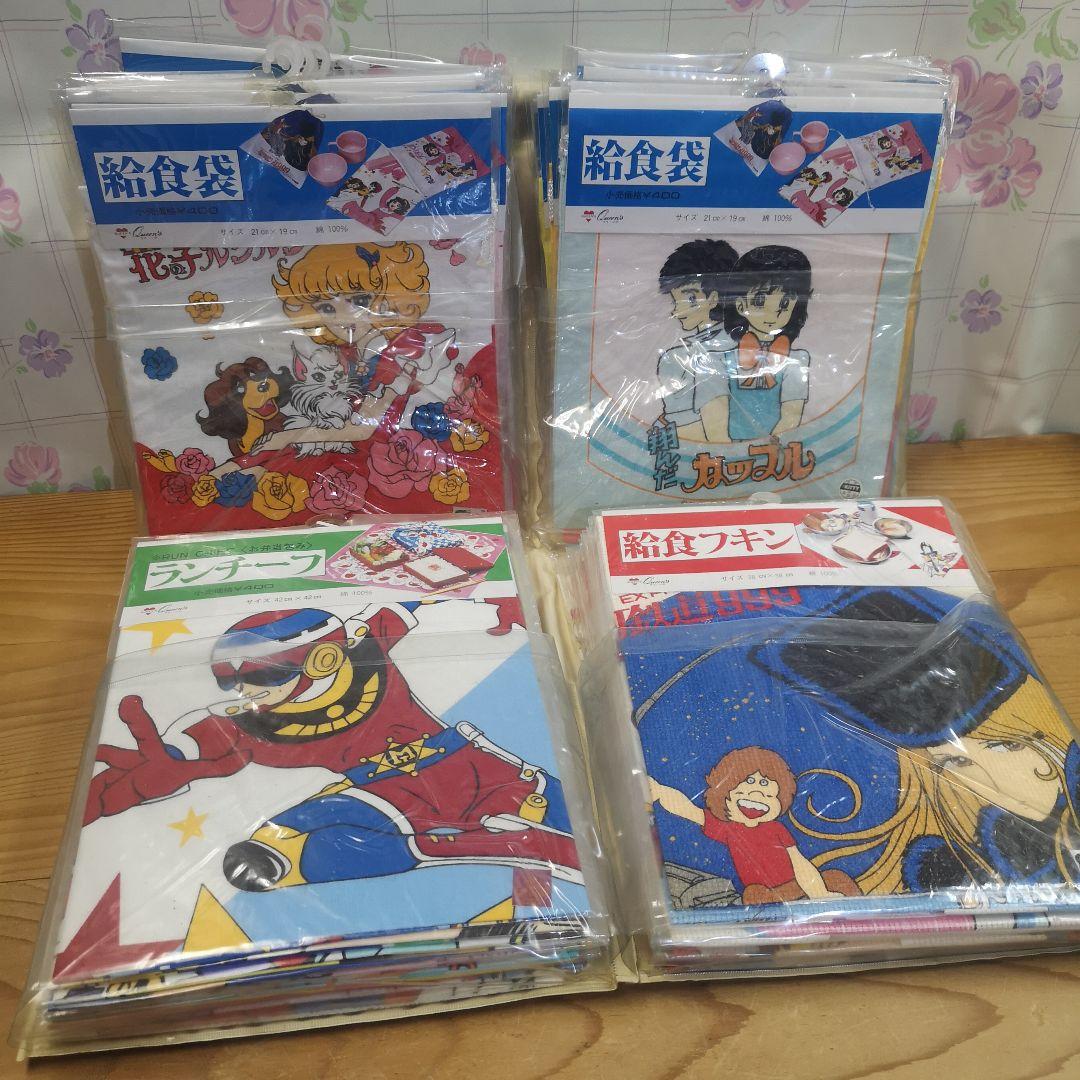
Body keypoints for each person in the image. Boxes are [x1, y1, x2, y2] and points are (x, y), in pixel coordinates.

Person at [84, 603, 582, 889]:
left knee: (591, 832)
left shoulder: (367, 651)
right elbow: (193, 744)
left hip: (477, 769)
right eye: (229, 681)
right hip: (384, 796)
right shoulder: (248, 724)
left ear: (321, 658)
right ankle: (472, 846)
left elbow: (421, 602)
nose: (243, 691)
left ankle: (524, 841)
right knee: (272, 846)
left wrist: (498, 606)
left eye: (258, 676)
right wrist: (165, 764)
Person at [649, 746, 860, 905]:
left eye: (767, 792)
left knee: (835, 877)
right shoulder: (729, 828)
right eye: (747, 786)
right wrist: (660, 791)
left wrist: (820, 893)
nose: (757, 794)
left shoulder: (777, 829)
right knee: (753, 894)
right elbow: (688, 810)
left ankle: (859, 918)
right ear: (725, 795)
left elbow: (799, 863)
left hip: (794, 888)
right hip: (767, 895)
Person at [695, 245, 812, 442]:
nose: (773, 313)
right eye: (759, 301)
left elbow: (790, 419)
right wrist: (732, 454)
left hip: (776, 454)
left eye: (784, 303)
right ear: (740, 304)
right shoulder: (713, 362)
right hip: (727, 456)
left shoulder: (797, 360)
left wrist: (770, 451)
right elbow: (714, 427)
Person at [654, 239, 738, 440]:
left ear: (713, 298)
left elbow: (689, 430)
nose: (676, 311)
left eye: (690, 299)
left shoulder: (676, 359)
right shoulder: (748, 342)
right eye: (675, 301)